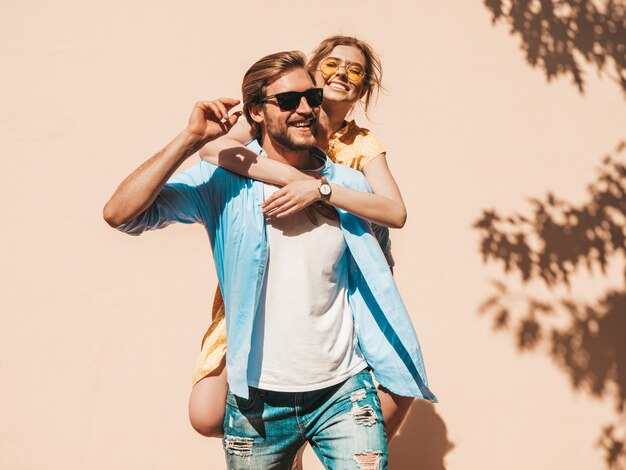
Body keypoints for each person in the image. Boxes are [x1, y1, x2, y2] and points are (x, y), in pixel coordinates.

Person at [103, 50, 436, 468]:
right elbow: (121, 214)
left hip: (344, 391)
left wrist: (320, 190)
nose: (305, 109)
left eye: (312, 98)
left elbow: (379, 264)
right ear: (257, 112)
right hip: (256, 405)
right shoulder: (221, 183)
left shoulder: (349, 184)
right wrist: (190, 139)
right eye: (288, 101)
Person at [189, 37, 417, 451]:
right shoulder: (277, 116)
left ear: (363, 89)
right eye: (332, 64)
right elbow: (212, 148)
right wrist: (293, 180)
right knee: (206, 414)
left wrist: (322, 191)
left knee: (392, 391)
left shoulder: (359, 144)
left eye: (355, 70)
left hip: (342, 275)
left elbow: (394, 212)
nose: (341, 75)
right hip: (266, 273)